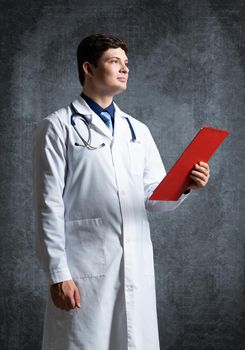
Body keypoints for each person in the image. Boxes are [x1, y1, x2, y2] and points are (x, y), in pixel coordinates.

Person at [32, 33, 210, 350]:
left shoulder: (137, 130)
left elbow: (154, 198)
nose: (124, 69)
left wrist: (186, 183)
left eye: (126, 63)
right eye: (115, 61)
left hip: (134, 266)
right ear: (88, 67)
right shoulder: (57, 127)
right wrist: (58, 273)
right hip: (84, 266)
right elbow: (48, 206)